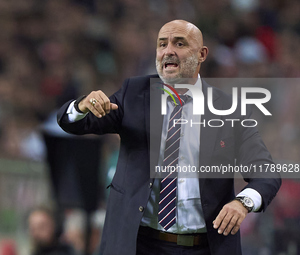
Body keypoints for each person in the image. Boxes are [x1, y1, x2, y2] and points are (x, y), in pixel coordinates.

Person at [57, 20, 281, 255]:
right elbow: (76, 124)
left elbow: (266, 174)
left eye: (179, 43)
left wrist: (242, 203)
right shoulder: (134, 93)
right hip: (137, 244)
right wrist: (82, 105)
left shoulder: (229, 110)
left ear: (201, 54)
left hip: (204, 247)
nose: (168, 51)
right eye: (162, 44)